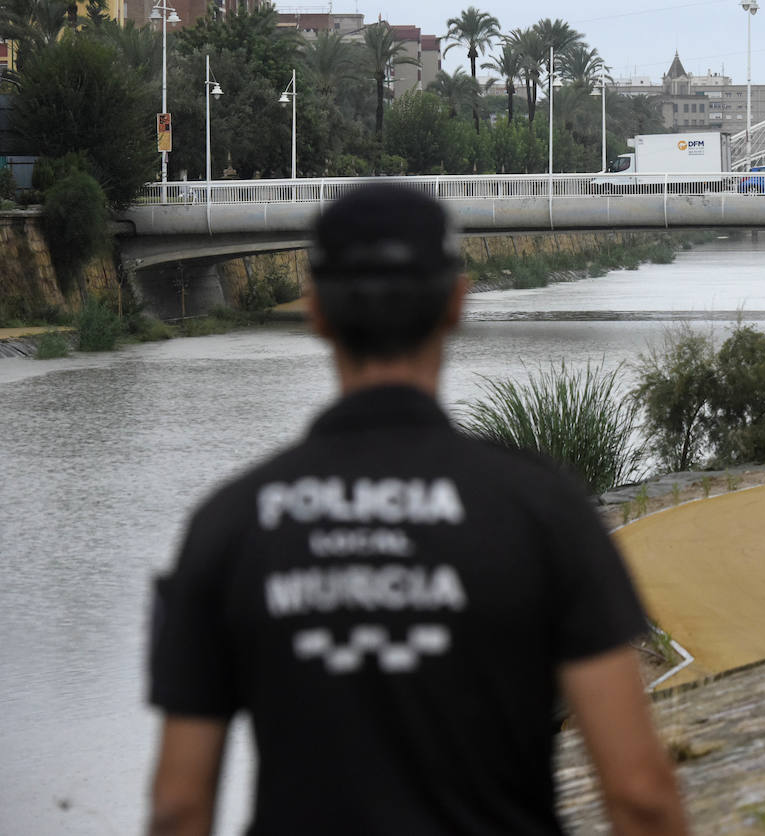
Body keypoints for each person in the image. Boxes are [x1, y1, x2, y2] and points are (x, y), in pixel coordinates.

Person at [147, 183, 688, 836]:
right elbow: (638, 791)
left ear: (315, 311)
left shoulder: (229, 525)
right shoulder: (542, 509)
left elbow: (179, 805)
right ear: (457, 304)